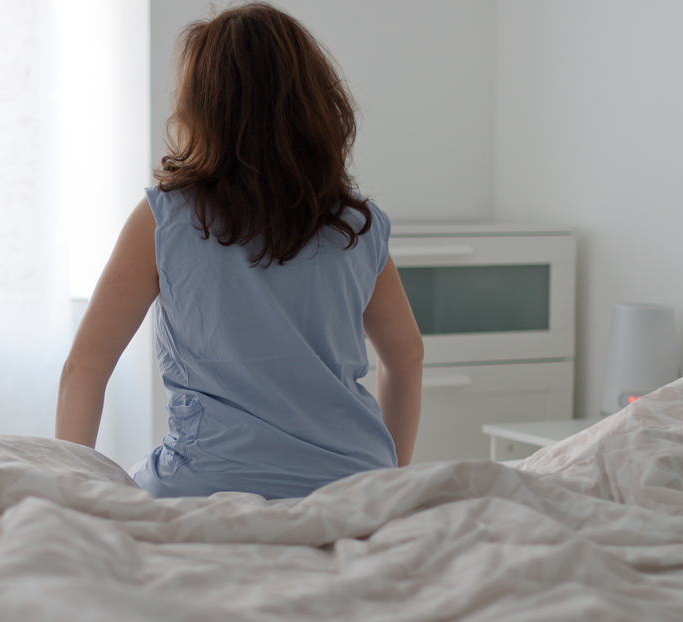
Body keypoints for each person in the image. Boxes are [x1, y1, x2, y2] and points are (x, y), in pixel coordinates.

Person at [55, 1, 423, 500]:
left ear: (202, 108)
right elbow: (406, 358)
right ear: (314, 102)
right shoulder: (356, 225)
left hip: (204, 483)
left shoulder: (165, 219)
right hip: (353, 482)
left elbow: (86, 367)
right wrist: (389, 478)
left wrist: (71, 495)